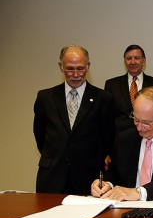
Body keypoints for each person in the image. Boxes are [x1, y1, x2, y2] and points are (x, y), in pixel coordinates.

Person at [33, 44, 115, 195]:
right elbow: (40, 136)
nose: (76, 74)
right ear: (60, 67)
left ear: (88, 66)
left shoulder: (103, 99)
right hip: (52, 177)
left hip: (88, 178)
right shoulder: (45, 98)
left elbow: (107, 138)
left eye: (80, 68)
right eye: (70, 69)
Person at [105, 45, 153, 134]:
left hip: (149, 136)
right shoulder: (112, 84)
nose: (132, 62)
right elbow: (107, 117)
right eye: (129, 58)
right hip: (120, 138)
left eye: (136, 58)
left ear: (143, 61)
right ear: (124, 61)